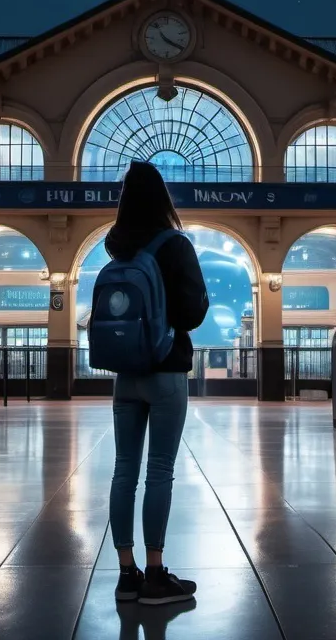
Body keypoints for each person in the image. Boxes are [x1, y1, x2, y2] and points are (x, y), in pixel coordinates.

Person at [102, 161, 209, 605]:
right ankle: (155, 573)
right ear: (162, 197)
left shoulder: (116, 245)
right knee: (159, 470)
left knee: (124, 469)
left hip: (125, 373)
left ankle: (126, 575)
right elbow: (191, 313)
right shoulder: (175, 244)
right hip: (165, 371)